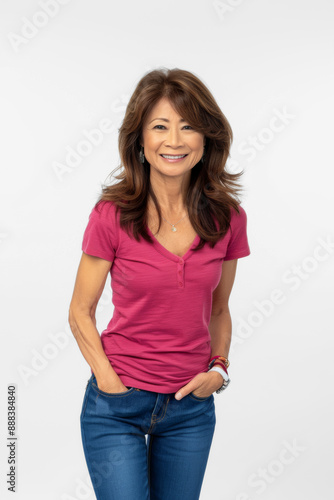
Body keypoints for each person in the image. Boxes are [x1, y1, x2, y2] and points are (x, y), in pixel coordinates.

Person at [68, 67, 251, 500]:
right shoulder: (111, 215)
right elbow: (80, 311)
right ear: (141, 141)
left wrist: (219, 370)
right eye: (160, 126)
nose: (174, 140)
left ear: (206, 141)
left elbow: (220, 309)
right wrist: (109, 382)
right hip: (117, 407)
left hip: (190, 408)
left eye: (188, 126)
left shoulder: (228, 218)